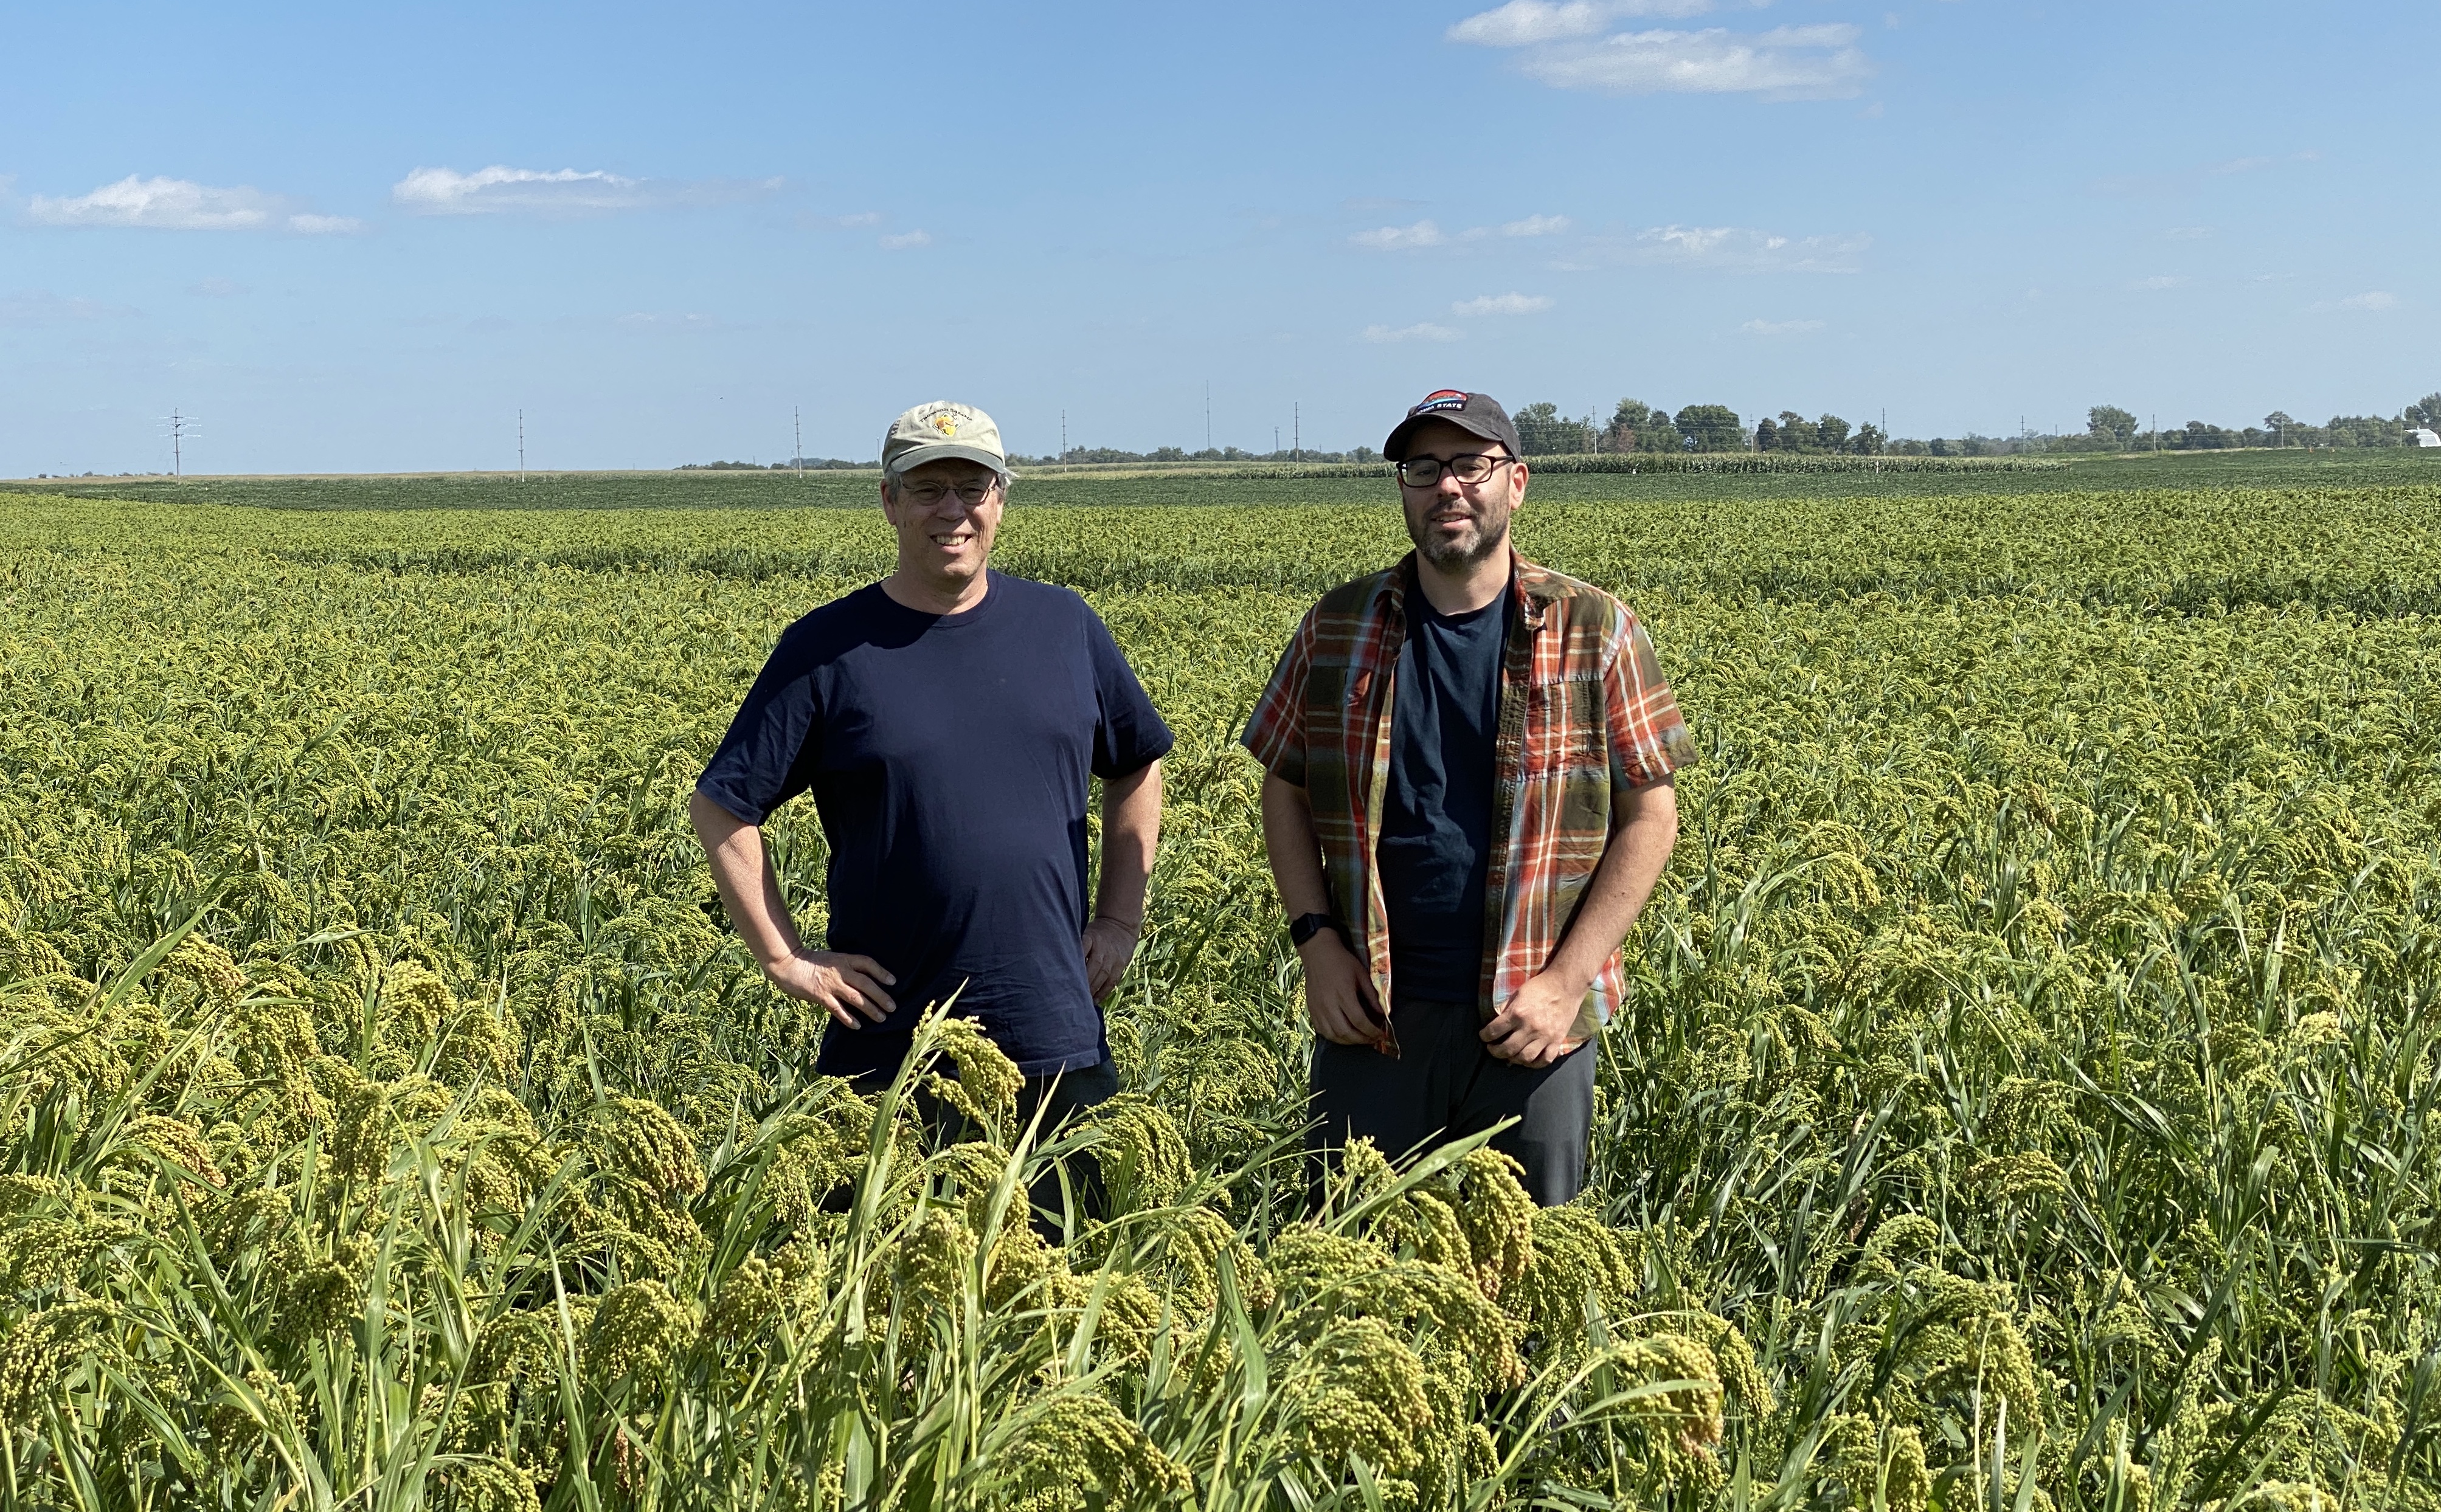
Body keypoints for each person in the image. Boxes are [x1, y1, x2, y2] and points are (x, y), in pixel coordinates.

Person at [1241, 389, 1692, 1206]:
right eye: (1423, 467)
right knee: (1351, 1273)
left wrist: (1565, 982)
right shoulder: (1337, 625)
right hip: (1371, 1015)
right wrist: (1314, 942)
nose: (1447, 486)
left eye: (1469, 465)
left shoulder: (1596, 627)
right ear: (1404, 488)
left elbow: (1650, 816)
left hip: (1533, 1023)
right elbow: (1283, 783)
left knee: (1526, 1272)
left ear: (1514, 481)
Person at [690, 400, 1170, 1142]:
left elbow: (1136, 765)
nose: (953, 510)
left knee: (1074, 1249)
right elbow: (723, 806)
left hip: (1053, 1034)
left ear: (1001, 499)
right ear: (889, 500)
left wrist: (1117, 920)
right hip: (892, 1050)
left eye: (973, 488)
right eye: (927, 488)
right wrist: (785, 957)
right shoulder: (826, 650)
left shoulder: (1064, 626)